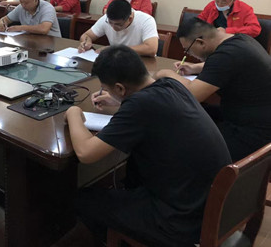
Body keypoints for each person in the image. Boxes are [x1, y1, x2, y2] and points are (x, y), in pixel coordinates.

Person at [66, 46, 231, 246]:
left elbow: (85, 152)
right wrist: (121, 102)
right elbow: (153, 110)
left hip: (180, 222)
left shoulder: (139, 107)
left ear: (120, 88)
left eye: (107, 89)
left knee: (84, 199)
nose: (106, 93)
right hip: (209, 204)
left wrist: (73, 113)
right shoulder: (171, 84)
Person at [156, 18, 271, 162]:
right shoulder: (240, 40)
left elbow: (192, 94)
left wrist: (167, 74)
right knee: (191, 114)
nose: (188, 54)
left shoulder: (226, 55)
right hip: (250, 114)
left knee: (183, 139)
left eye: (188, 49)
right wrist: (194, 67)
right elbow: (223, 64)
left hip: (253, 131)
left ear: (201, 42)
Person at [79, 0, 158, 57]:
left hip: (143, 61)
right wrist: (86, 43)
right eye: (110, 23)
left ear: (130, 19)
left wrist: (116, 49)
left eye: (118, 24)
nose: (113, 27)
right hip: (117, 61)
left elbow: (151, 48)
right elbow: (87, 35)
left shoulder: (146, 20)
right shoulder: (106, 19)